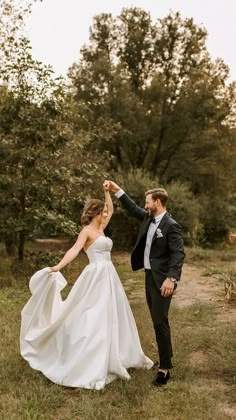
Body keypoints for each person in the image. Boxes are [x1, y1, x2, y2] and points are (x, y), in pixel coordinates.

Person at [20, 183, 153, 390]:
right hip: (94, 276)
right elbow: (74, 250)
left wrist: (107, 192)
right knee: (92, 314)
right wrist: (58, 266)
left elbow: (111, 207)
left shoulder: (101, 228)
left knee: (113, 314)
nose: (107, 213)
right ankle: (88, 356)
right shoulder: (87, 231)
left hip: (109, 276)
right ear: (97, 213)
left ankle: (117, 354)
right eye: (104, 211)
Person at [106, 180, 185, 386]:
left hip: (163, 280)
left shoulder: (171, 226)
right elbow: (133, 208)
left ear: (157, 202)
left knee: (160, 321)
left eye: (148, 202)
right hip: (149, 276)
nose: (145, 205)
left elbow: (178, 255)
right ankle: (165, 358)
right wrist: (117, 191)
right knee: (157, 320)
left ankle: (165, 369)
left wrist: (171, 278)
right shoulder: (148, 219)